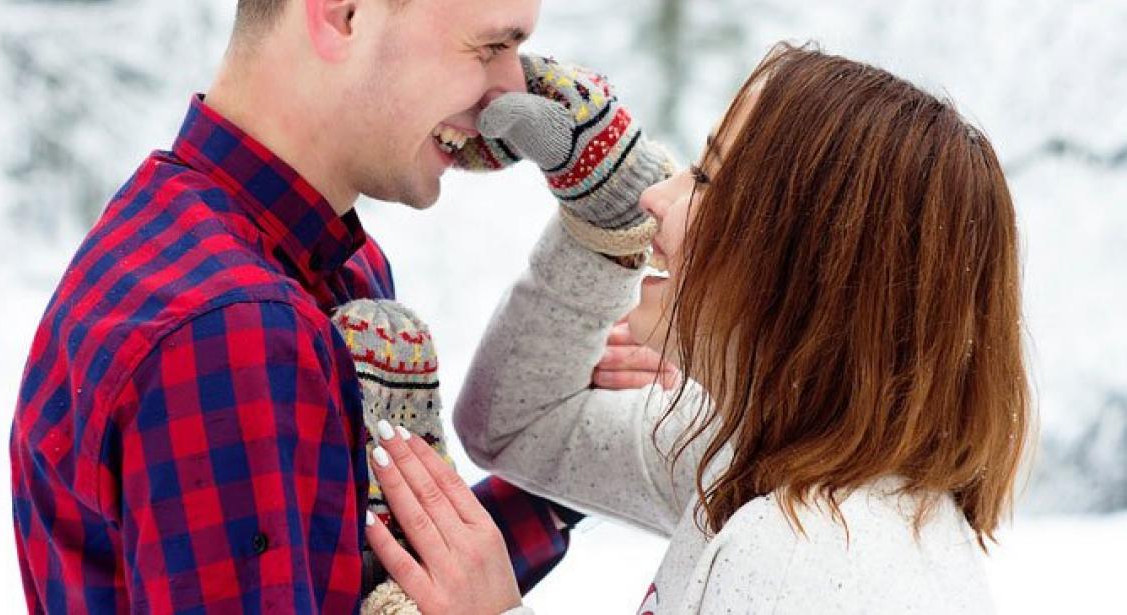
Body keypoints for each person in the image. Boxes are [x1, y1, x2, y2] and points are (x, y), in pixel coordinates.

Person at [9, 0, 659, 611]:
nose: (512, 92)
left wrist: (562, 455)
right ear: (343, 8)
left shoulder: (307, 264)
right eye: (489, 47)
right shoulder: (233, 332)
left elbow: (346, 578)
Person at [360, 44, 1032, 614]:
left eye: (705, 177)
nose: (659, 194)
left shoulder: (804, 555)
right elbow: (516, 425)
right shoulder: (753, 457)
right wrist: (603, 213)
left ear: (794, 261)